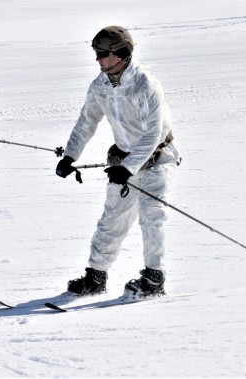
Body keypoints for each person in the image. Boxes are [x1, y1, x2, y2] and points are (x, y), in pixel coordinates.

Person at [55, 26, 180, 299]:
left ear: (121, 53)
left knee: (151, 216)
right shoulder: (100, 85)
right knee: (112, 218)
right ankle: (96, 276)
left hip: (157, 157)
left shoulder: (144, 84)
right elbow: (86, 122)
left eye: (102, 54)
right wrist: (70, 155)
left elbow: (153, 133)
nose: (97, 60)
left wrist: (128, 167)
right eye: (96, 54)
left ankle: (154, 278)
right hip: (125, 160)